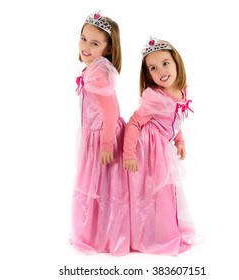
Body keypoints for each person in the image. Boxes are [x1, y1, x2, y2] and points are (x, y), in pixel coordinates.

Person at [123, 37, 199, 255]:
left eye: (165, 63)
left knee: (167, 189)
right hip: (149, 148)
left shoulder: (182, 90)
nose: (161, 71)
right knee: (155, 191)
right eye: (153, 68)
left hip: (163, 145)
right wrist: (129, 152)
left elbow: (176, 119)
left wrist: (179, 140)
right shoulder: (155, 96)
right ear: (149, 74)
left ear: (176, 62)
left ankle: (164, 229)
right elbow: (135, 122)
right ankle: (153, 234)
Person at [70, 11, 129, 256]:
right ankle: (97, 232)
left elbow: (110, 112)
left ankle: (101, 234)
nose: (85, 46)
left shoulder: (98, 72)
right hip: (93, 133)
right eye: (83, 39)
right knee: (100, 185)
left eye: (94, 43)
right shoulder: (94, 68)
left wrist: (106, 145)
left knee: (101, 186)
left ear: (107, 48)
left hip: (102, 136)